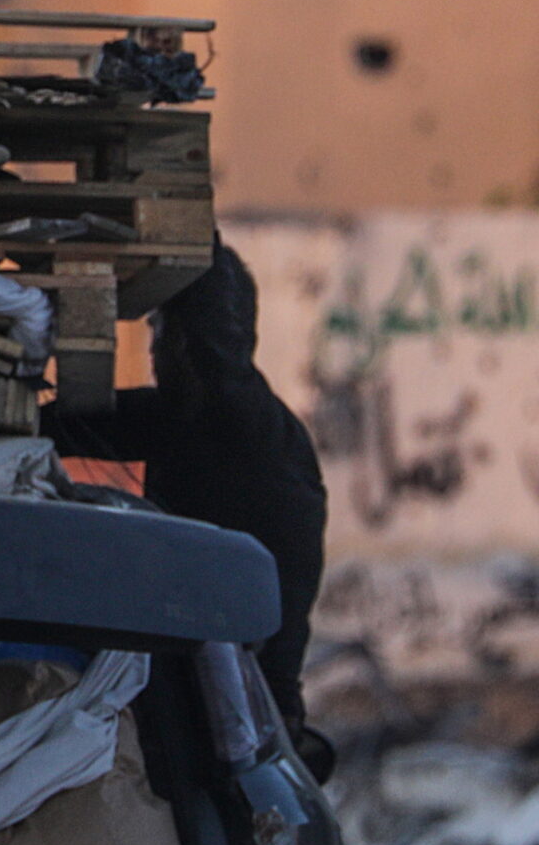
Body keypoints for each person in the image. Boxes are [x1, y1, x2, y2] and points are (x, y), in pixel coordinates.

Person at [49, 238, 331, 771]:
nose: (153, 351)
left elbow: (212, 351)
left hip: (237, 709)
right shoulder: (188, 419)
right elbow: (67, 424)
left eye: (161, 331)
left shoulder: (241, 425)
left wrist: (191, 242)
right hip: (214, 692)